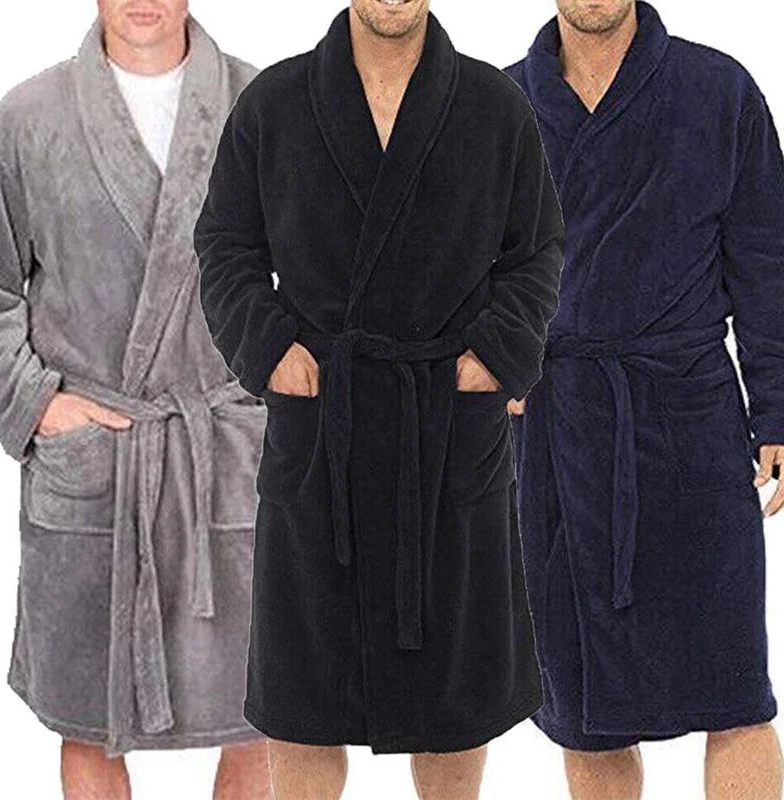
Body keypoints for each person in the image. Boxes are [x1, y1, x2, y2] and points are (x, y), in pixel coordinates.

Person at [193, 0, 565, 797]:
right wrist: (269, 349)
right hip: (322, 433)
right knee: (303, 700)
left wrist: (493, 357)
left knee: (454, 698)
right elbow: (225, 244)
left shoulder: (493, 106)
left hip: (446, 433)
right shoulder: (275, 104)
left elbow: (535, 251)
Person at [0, 2, 272, 797]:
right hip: (96, 463)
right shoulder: (26, 119)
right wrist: (35, 402)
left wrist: (280, 407)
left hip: (225, 459)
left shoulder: (264, 106)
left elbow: (326, 277)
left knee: (257, 716)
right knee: (88, 718)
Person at [504, 2, 784, 798]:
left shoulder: (719, 90)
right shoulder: (496, 102)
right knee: (583, 711)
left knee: (734, 696)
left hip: (691, 422)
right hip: (557, 437)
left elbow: (767, 260)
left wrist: (779, 407)